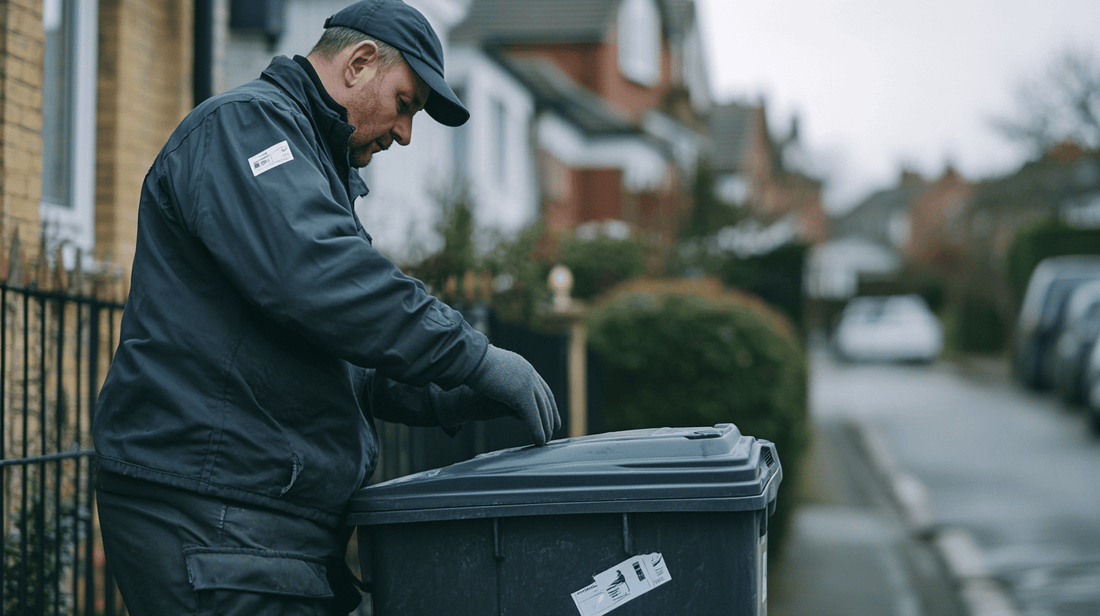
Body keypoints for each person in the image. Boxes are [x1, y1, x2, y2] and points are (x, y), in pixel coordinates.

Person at [91, 1, 560, 614]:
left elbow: (343, 347)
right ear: (360, 63)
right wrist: (472, 355)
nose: (406, 133)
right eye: (405, 103)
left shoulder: (311, 161)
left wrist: (452, 391)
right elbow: (320, 276)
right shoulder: (246, 129)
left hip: (258, 521)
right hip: (213, 515)